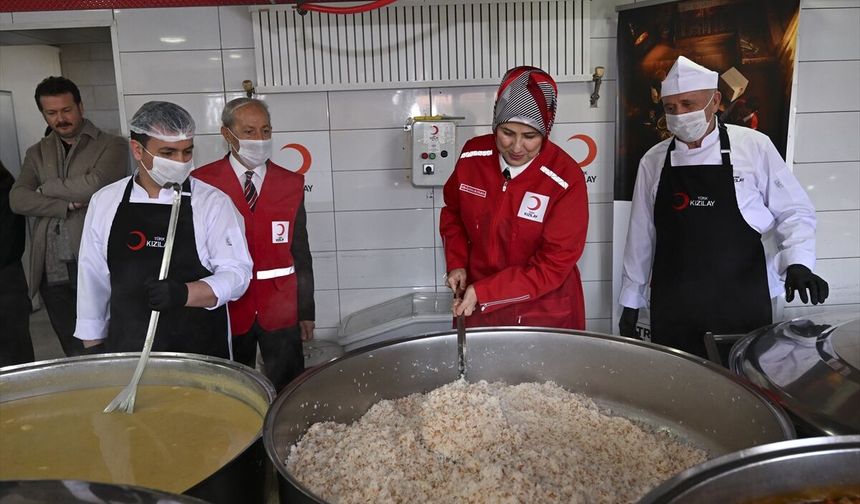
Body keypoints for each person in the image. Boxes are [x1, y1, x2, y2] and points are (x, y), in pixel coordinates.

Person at [618, 56, 828, 359]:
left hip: (740, 300)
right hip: (674, 303)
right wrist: (630, 299)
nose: (679, 115)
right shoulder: (654, 159)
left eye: (688, 105)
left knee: (743, 386)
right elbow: (641, 235)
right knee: (678, 388)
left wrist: (798, 261)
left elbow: (794, 210)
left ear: (715, 101)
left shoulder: (753, 146)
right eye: (671, 108)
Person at [74, 101, 252, 357]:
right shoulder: (106, 201)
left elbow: (237, 274)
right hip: (129, 346)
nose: (181, 162)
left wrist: (184, 293)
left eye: (187, 152)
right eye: (168, 153)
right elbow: (93, 276)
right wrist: (93, 344)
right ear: (137, 149)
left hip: (200, 347)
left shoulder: (212, 203)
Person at [440, 66, 589, 329]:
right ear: (495, 123)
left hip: (542, 310)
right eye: (507, 133)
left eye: (530, 136)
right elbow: (453, 212)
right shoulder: (473, 157)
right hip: (479, 307)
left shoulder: (564, 178)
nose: (517, 147)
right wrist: (457, 263)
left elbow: (554, 265)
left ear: (546, 130)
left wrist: (487, 291)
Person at [194, 97, 315, 390]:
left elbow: (300, 250)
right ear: (227, 134)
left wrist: (306, 311)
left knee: (289, 386)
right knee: (231, 388)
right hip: (227, 306)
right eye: (249, 132)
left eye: (265, 130)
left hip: (281, 306)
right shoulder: (202, 182)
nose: (259, 139)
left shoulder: (291, 183)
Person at [9, 76, 128, 357]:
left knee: (108, 341)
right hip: (52, 267)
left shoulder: (113, 145)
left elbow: (97, 184)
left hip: (98, 259)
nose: (60, 119)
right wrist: (66, 206)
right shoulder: (36, 153)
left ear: (80, 107)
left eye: (66, 110)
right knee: (71, 346)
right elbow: (18, 198)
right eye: (51, 113)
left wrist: (46, 188)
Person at [1, 162, 34, 367]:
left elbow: (9, 242)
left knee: (13, 358)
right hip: (8, 280)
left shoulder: (2, 184)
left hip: (5, 283)